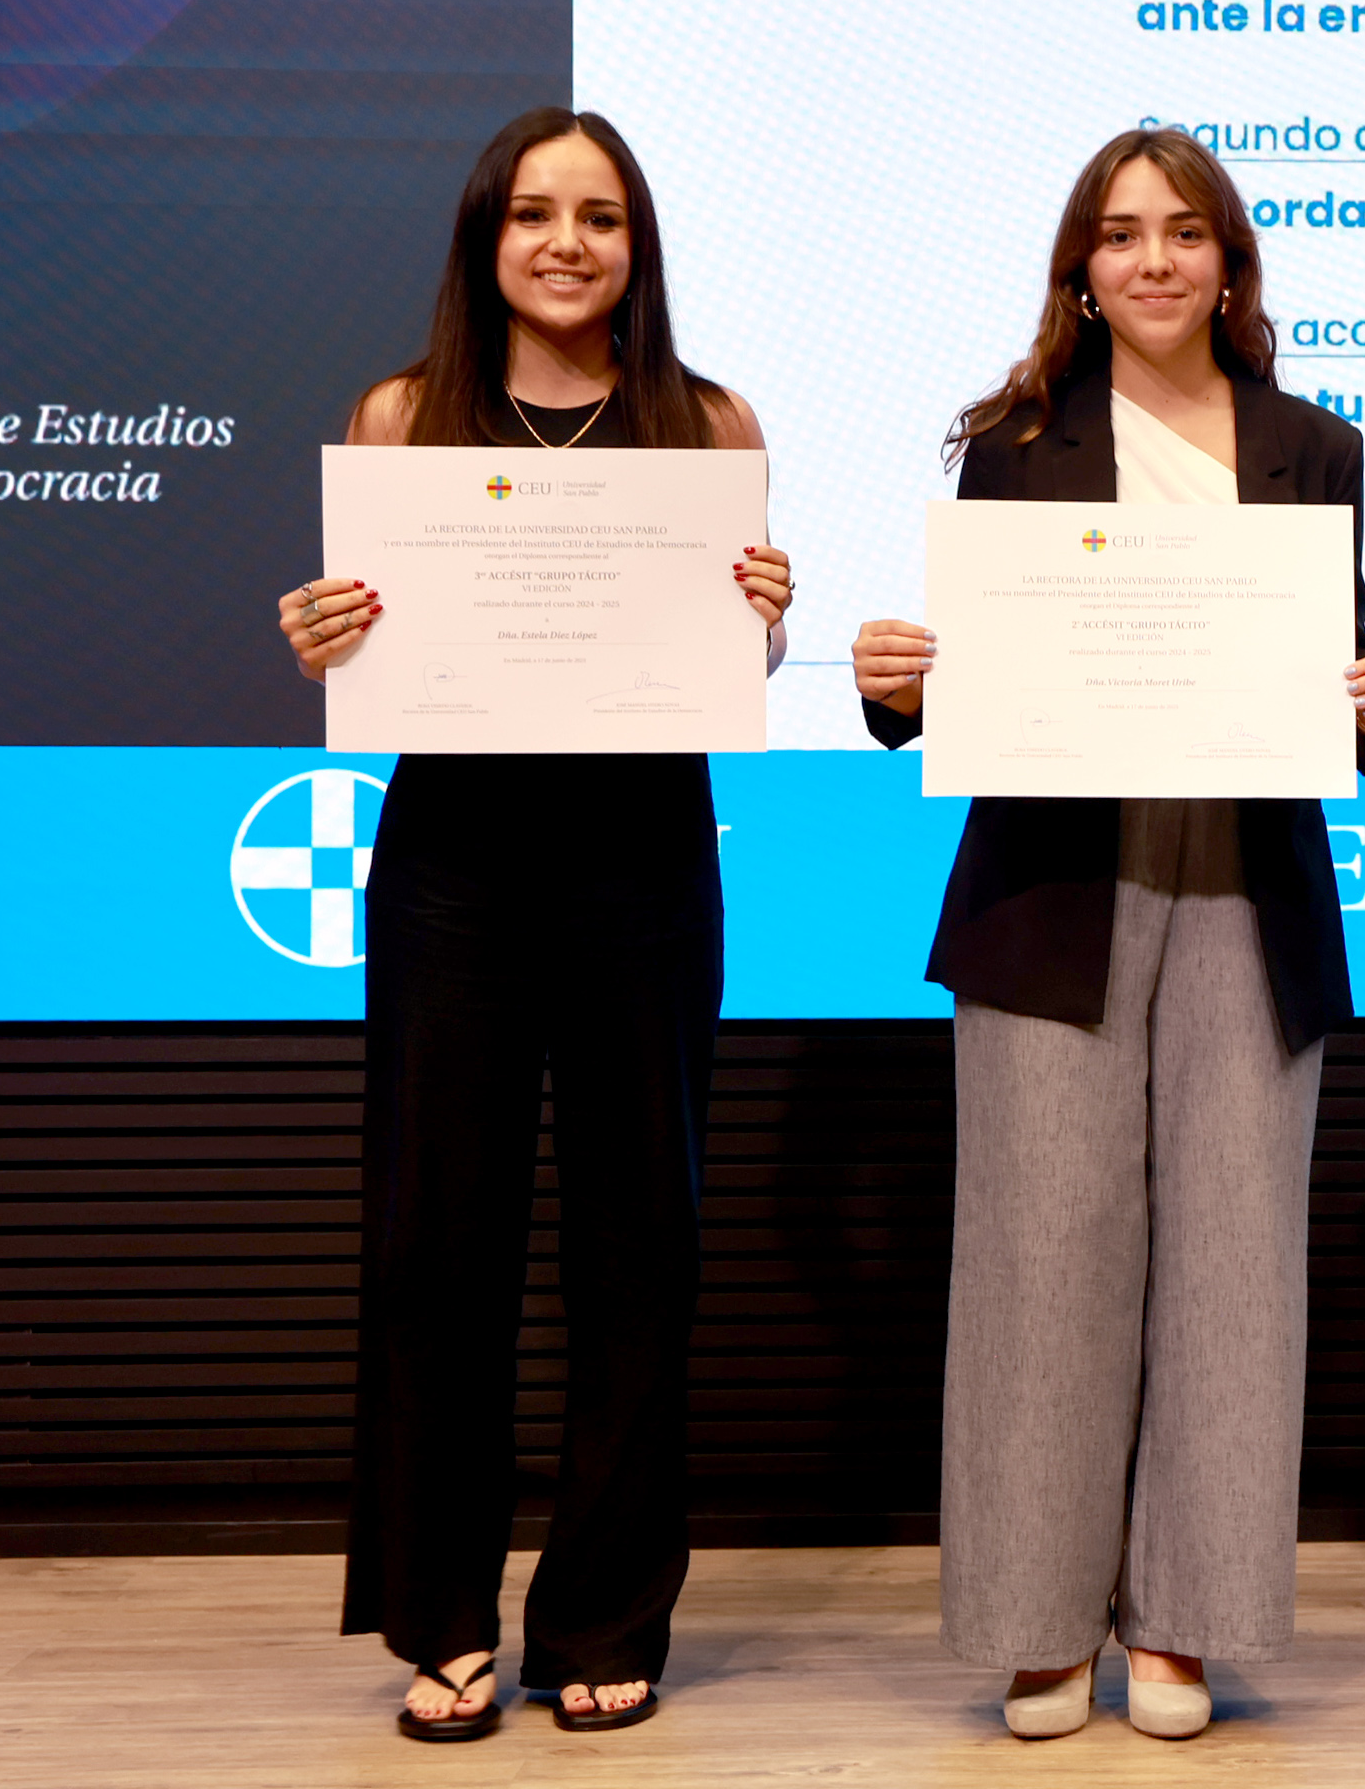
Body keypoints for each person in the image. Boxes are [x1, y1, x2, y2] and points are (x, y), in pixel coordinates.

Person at [849, 129, 1365, 1741]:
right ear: (1080, 273)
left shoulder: (1314, 445)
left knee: (1236, 1262)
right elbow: (977, 677)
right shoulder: (1014, 444)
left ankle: (1183, 1623)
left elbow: (1330, 679)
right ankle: (1039, 1626)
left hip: (1249, 886)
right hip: (1052, 893)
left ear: (1228, 264)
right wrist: (898, 690)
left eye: (1182, 232)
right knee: (1039, 1257)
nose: (1152, 260)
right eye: (1118, 235)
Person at [277, 107, 791, 1741]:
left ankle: (602, 1615)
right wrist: (323, 634)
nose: (567, 244)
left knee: (641, 1246)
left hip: (644, 863)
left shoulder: (706, 422)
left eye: (601, 217)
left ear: (638, 248)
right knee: (439, 1243)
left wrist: (766, 624)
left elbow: (734, 668)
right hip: (454, 868)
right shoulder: (401, 414)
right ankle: (440, 1616)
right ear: (484, 238)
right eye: (533, 214)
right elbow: (369, 647)